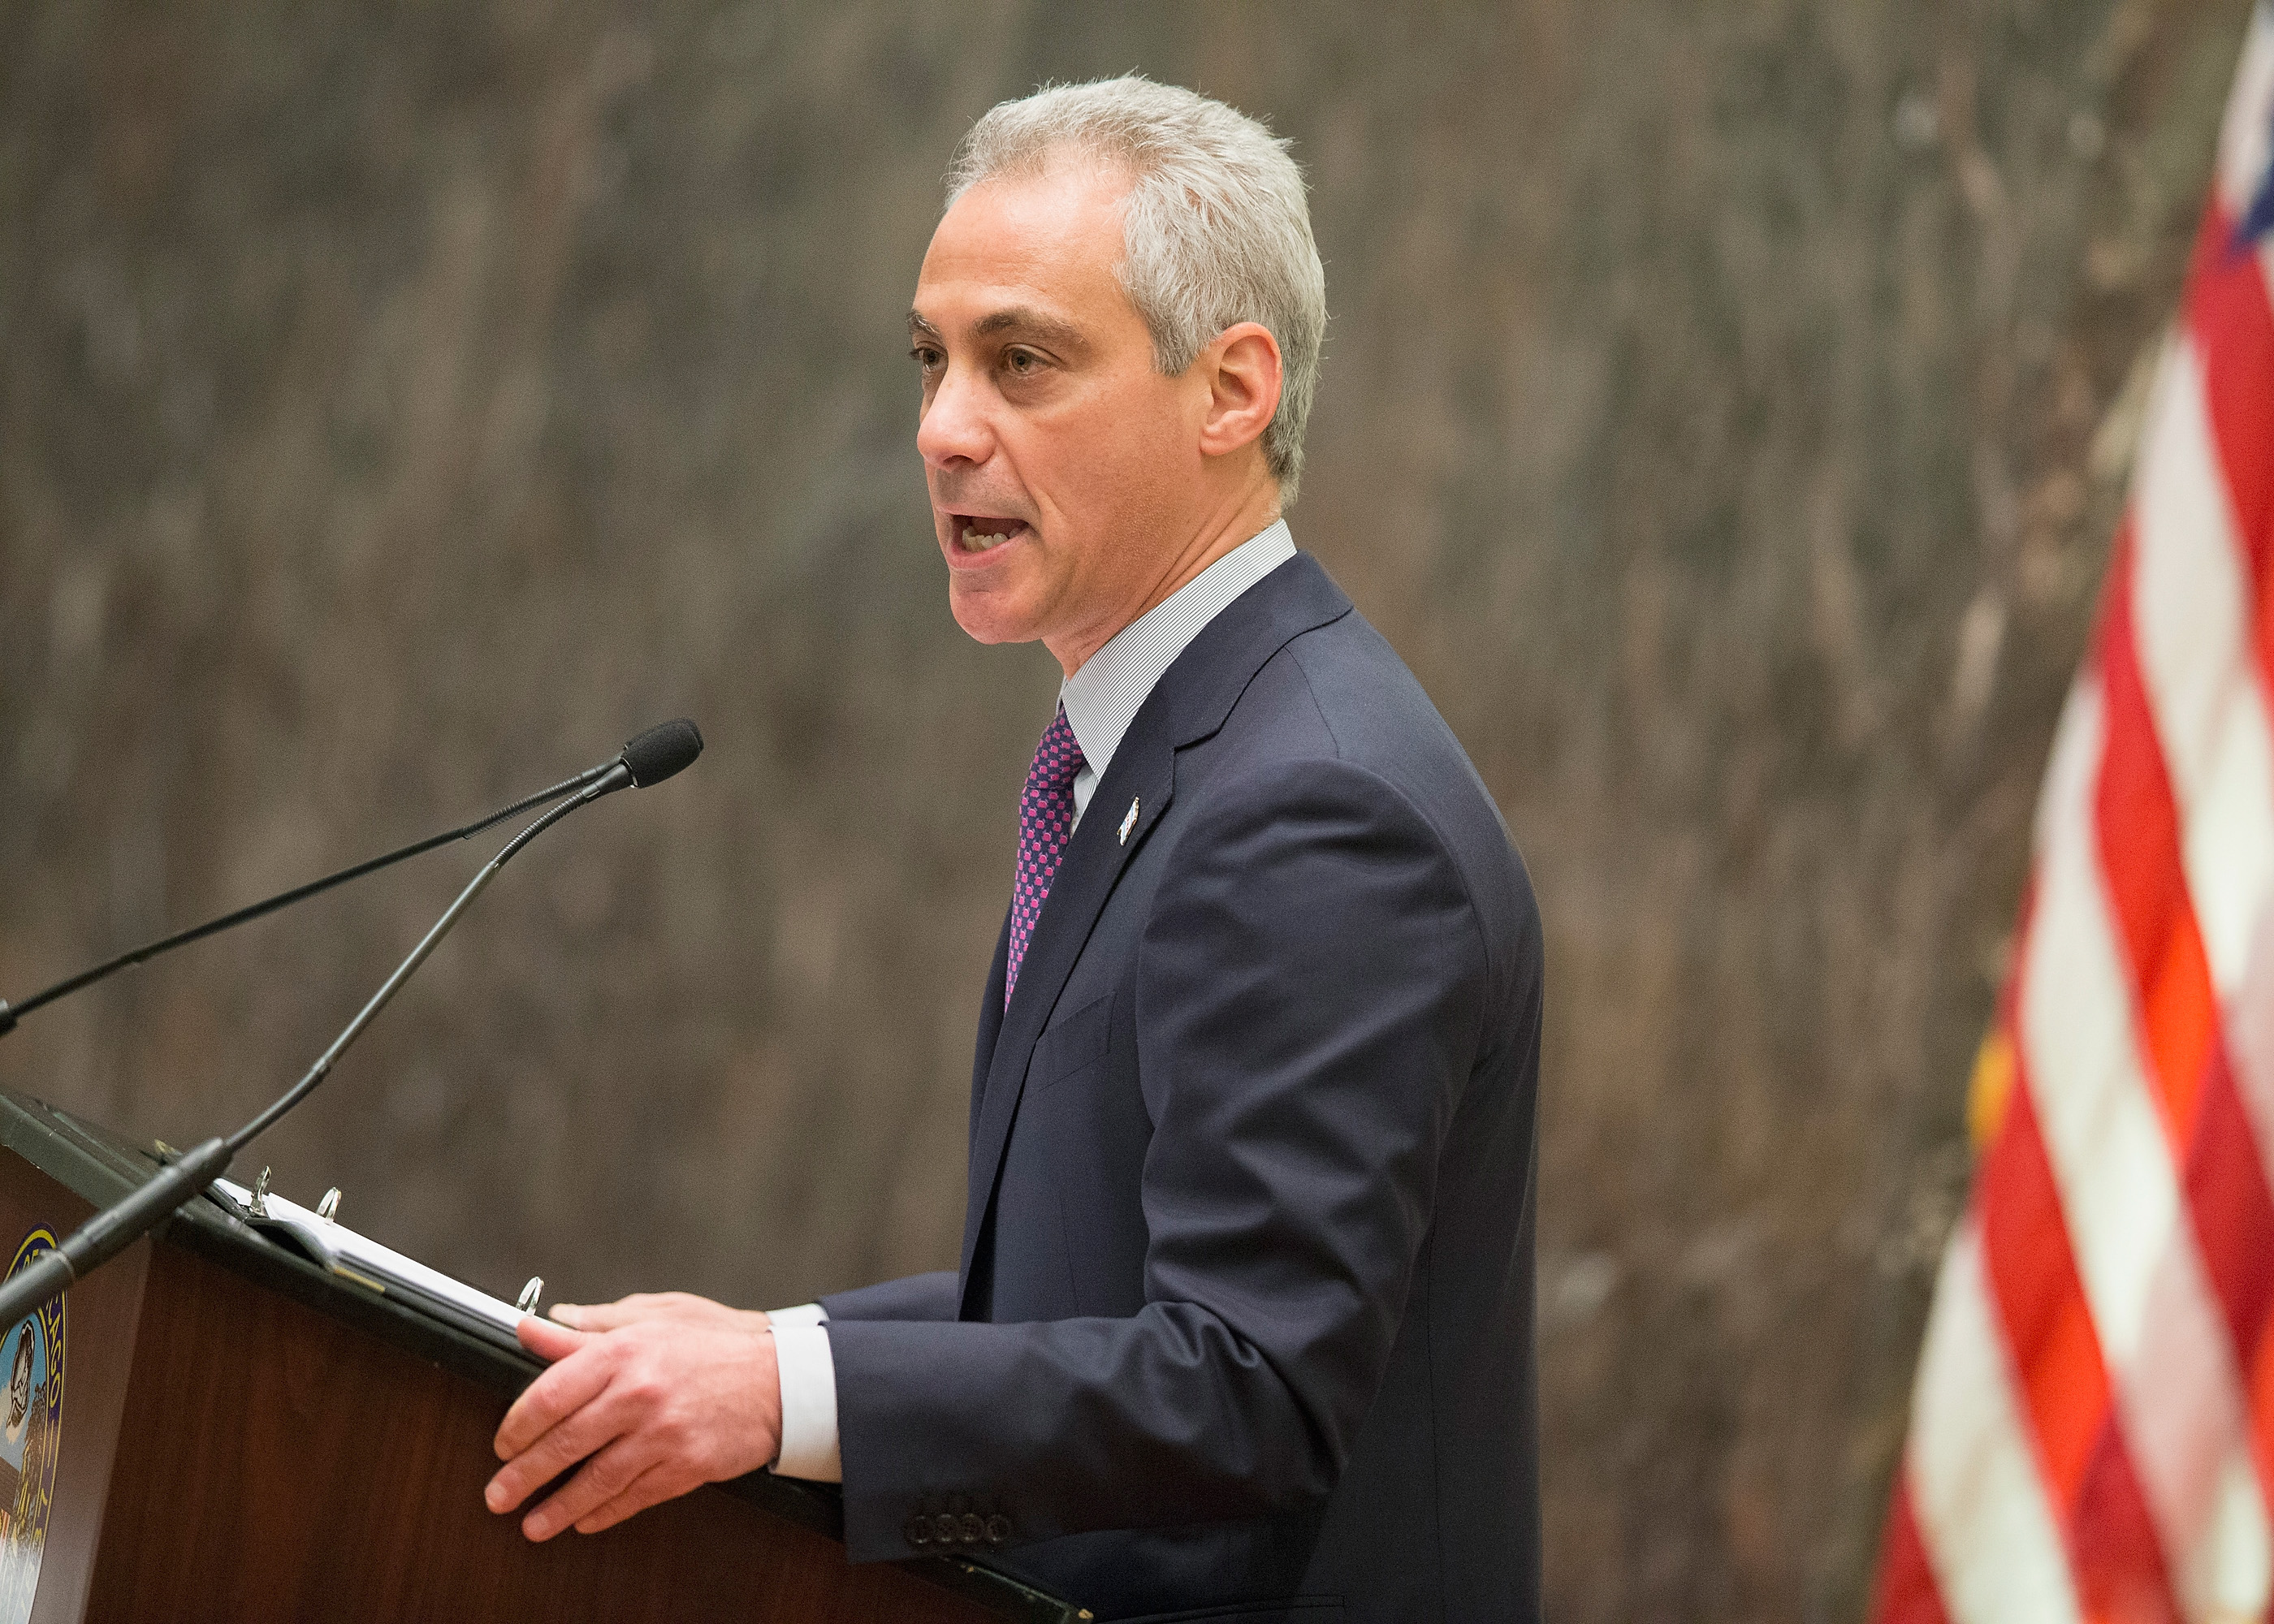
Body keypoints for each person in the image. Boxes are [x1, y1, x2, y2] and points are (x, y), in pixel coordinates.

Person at [485, 75, 1544, 1622]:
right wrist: (760, 1356)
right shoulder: (1171, 754)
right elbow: (1088, 1292)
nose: (940, 429)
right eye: (929, 361)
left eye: (1022, 363)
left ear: (1230, 392)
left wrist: (787, 1396)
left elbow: (1248, 1388)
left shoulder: (1317, 811)